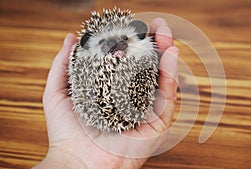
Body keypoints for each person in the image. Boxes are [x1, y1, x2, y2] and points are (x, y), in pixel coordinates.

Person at [33, 18, 179, 169]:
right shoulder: (86, 61)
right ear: (88, 45)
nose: (114, 44)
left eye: (124, 38)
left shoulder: (143, 51)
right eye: (104, 41)